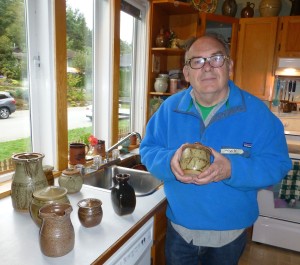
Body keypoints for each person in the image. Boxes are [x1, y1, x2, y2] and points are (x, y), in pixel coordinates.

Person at [140, 33, 292, 265]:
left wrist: (231, 169)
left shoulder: (258, 114)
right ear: (187, 73)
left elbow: (278, 164)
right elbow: (149, 149)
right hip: (180, 231)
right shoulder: (169, 109)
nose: (208, 67)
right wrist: (170, 161)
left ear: (229, 65)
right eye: (197, 61)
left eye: (216, 58)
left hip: (230, 235)